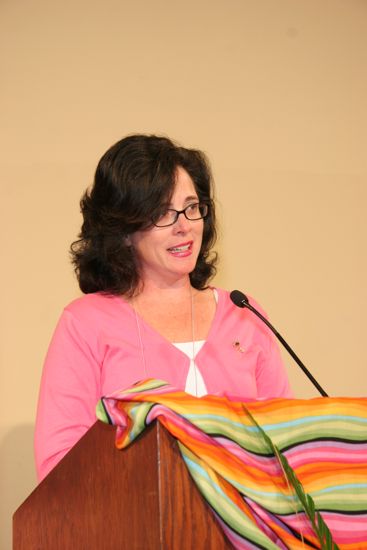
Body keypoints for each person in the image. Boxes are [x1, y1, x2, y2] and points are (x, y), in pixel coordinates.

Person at [34, 134, 292, 481]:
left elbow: (288, 447)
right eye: (162, 213)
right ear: (125, 230)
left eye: (191, 207)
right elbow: (59, 466)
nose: (184, 226)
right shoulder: (86, 323)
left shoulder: (243, 314)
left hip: (247, 532)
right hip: (128, 529)